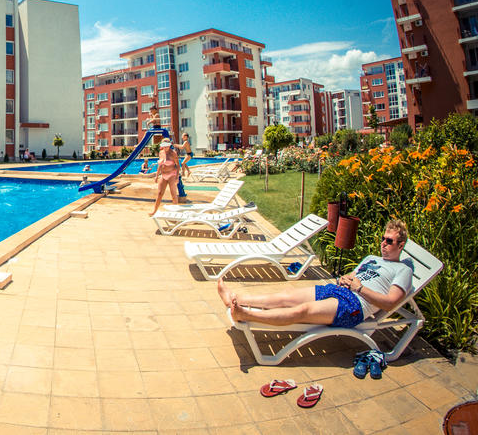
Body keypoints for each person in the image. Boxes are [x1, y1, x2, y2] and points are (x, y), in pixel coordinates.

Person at [218, 219, 413, 328]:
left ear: (400, 245)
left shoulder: (403, 270)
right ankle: (236, 298)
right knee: (286, 296)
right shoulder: (372, 258)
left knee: (302, 311)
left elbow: (390, 303)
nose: (383, 244)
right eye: (383, 239)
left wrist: (359, 288)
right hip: (340, 290)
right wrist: (346, 278)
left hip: (355, 305)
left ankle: (246, 314)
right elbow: (354, 275)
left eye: (389, 241)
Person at [152, 138, 180, 215]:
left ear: (169, 145)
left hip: (172, 175)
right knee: (160, 193)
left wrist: (177, 177)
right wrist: (157, 176)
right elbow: (160, 165)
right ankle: (154, 211)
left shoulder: (173, 153)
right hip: (163, 175)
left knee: (173, 194)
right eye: (164, 146)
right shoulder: (161, 153)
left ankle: (175, 214)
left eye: (167, 146)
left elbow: (178, 166)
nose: (165, 147)